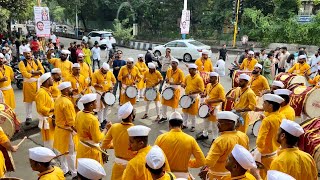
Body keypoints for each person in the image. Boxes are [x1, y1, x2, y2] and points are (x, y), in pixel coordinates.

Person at [199, 111, 249, 180]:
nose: (217, 125)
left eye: (220, 123)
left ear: (229, 124)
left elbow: (209, 162)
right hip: (237, 174)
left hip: (218, 175)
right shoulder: (243, 136)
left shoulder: (220, 140)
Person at [155, 112, 205, 179]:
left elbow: (154, 159)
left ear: (169, 125)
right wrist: (188, 162)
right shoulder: (190, 139)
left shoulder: (160, 138)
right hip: (184, 176)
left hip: (165, 176)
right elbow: (201, 161)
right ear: (181, 125)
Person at [253, 94, 285, 179]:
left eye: (264, 103)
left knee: (262, 176)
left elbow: (260, 141)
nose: (262, 105)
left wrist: (258, 150)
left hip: (265, 155)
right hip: (275, 152)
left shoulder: (267, 120)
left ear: (270, 106)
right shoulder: (282, 116)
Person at [101, 102, 135, 180]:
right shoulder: (135, 130)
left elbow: (104, 145)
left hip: (118, 165)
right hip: (132, 165)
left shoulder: (114, 127)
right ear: (131, 116)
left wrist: (116, 145)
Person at [75, 93, 108, 164]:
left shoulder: (79, 113)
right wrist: (106, 129)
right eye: (95, 102)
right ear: (91, 105)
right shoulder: (92, 119)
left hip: (82, 146)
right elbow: (97, 139)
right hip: (91, 150)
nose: (97, 103)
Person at [53, 82, 77, 178]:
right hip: (67, 131)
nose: (72, 89)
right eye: (70, 88)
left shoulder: (58, 99)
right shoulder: (67, 103)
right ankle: (74, 173)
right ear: (66, 91)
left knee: (62, 152)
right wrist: (78, 130)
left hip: (59, 130)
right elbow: (71, 121)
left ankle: (65, 170)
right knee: (71, 153)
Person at [19, 48, 45, 125]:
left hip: (37, 84)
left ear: (31, 53)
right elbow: (25, 74)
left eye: (29, 53)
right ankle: (28, 117)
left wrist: (33, 72)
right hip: (28, 85)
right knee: (28, 102)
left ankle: (41, 115)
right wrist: (37, 73)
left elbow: (42, 70)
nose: (28, 55)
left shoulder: (36, 61)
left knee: (39, 101)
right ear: (23, 54)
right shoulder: (22, 63)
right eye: (26, 53)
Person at [197, 72, 225, 140]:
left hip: (215, 108)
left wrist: (211, 101)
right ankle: (205, 134)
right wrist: (203, 95)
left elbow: (222, 99)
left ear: (215, 78)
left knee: (214, 124)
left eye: (211, 78)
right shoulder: (209, 85)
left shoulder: (220, 87)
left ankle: (215, 138)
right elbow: (207, 93)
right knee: (205, 121)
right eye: (210, 77)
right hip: (207, 106)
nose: (209, 79)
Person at [181, 64, 205, 132]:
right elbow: (184, 84)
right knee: (185, 112)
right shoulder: (187, 77)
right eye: (189, 69)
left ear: (195, 70)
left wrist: (193, 92)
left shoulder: (199, 78)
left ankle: (193, 126)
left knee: (193, 113)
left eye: (190, 70)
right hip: (187, 96)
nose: (189, 71)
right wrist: (183, 85)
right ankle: (184, 124)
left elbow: (201, 89)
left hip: (194, 97)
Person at [35, 73, 55, 148]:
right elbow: (40, 108)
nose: (53, 80)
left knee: (52, 141)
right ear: (46, 81)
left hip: (50, 119)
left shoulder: (46, 91)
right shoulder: (41, 93)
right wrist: (53, 109)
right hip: (47, 120)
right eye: (51, 79)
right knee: (49, 142)